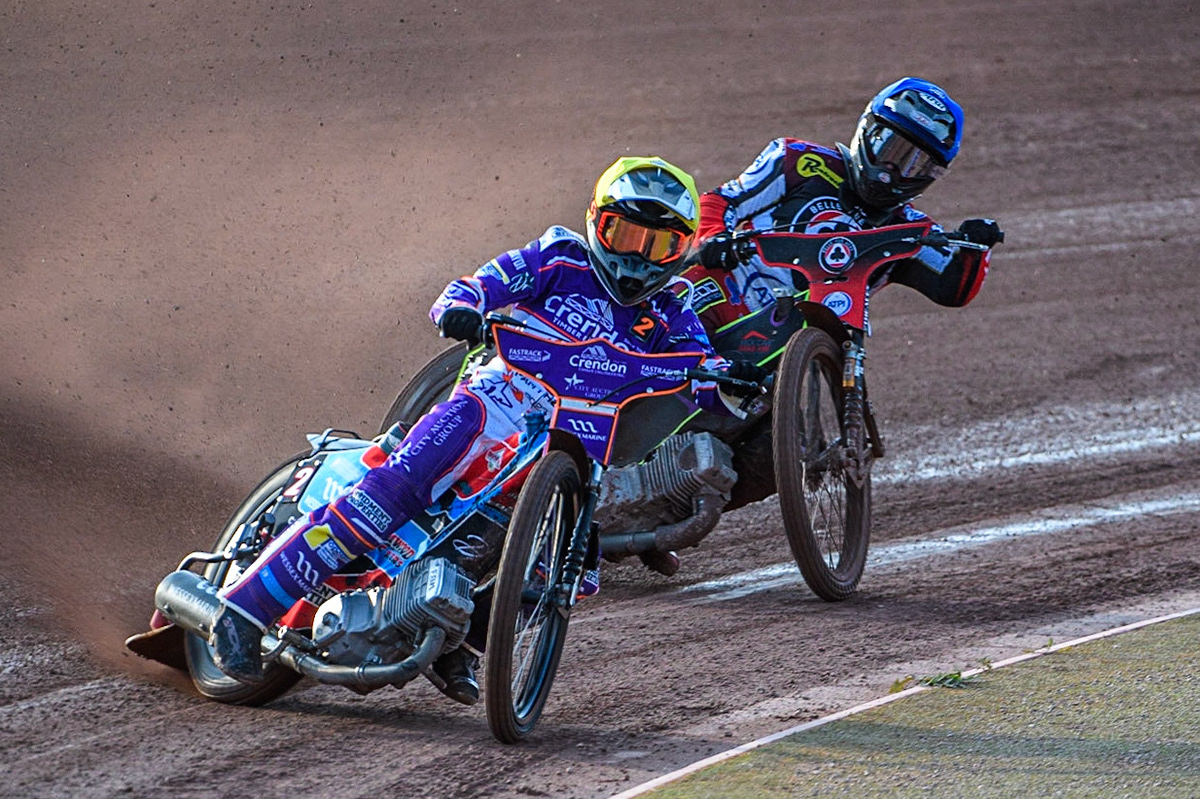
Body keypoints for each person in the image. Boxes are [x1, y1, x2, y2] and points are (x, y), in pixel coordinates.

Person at [208, 156, 766, 704]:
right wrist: (461, 306)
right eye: (623, 234)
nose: (637, 257)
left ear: (681, 248)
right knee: (392, 492)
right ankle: (242, 610)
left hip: (579, 449)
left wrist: (732, 381)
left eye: (658, 245)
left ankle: (458, 639)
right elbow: (481, 284)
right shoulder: (559, 256)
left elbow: (701, 370)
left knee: (564, 567)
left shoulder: (672, 310)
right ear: (597, 222)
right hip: (492, 405)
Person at [683, 77, 1003, 333]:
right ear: (868, 131)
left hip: (806, 333)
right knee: (687, 292)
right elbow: (722, 199)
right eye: (890, 149)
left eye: (912, 165)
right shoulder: (798, 161)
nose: (891, 171)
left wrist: (976, 247)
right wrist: (713, 238)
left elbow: (953, 289)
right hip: (729, 293)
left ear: (930, 176)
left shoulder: (910, 230)